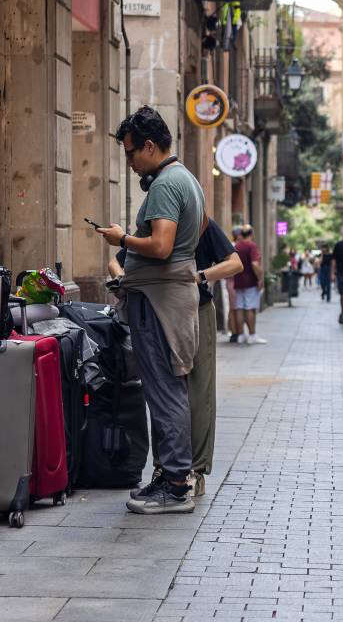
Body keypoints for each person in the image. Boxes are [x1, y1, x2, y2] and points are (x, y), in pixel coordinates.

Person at [96, 106, 204, 514]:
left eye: (130, 153)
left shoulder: (165, 184)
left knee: (164, 392)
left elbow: (160, 245)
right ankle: (169, 476)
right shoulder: (187, 179)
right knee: (166, 390)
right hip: (168, 298)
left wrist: (122, 239)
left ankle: (175, 485)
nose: (129, 162)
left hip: (160, 303)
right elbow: (201, 226)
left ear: (149, 145)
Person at [133, 217, 242, 501]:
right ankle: (165, 468)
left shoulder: (201, 224)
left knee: (198, 390)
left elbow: (235, 263)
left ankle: (195, 470)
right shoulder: (157, 224)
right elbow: (119, 261)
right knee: (164, 391)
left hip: (197, 308)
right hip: (161, 310)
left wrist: (200, 276)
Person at [232, 224, 266, 344]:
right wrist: (260, 278)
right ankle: (252, 335)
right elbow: (255, 264)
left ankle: (241, 335)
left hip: (238, 281)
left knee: (240, 308)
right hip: (250, 282)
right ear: (251, 233)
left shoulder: (237, 246)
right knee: (250, 308)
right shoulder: (252, 246)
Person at [226, 226, 243, 343]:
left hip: (235, 281)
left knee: (236, 307)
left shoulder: (235, 246)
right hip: (232, 280)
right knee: (234, 307)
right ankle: (234, 332)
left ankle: (237, 331)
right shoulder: (232, 246)